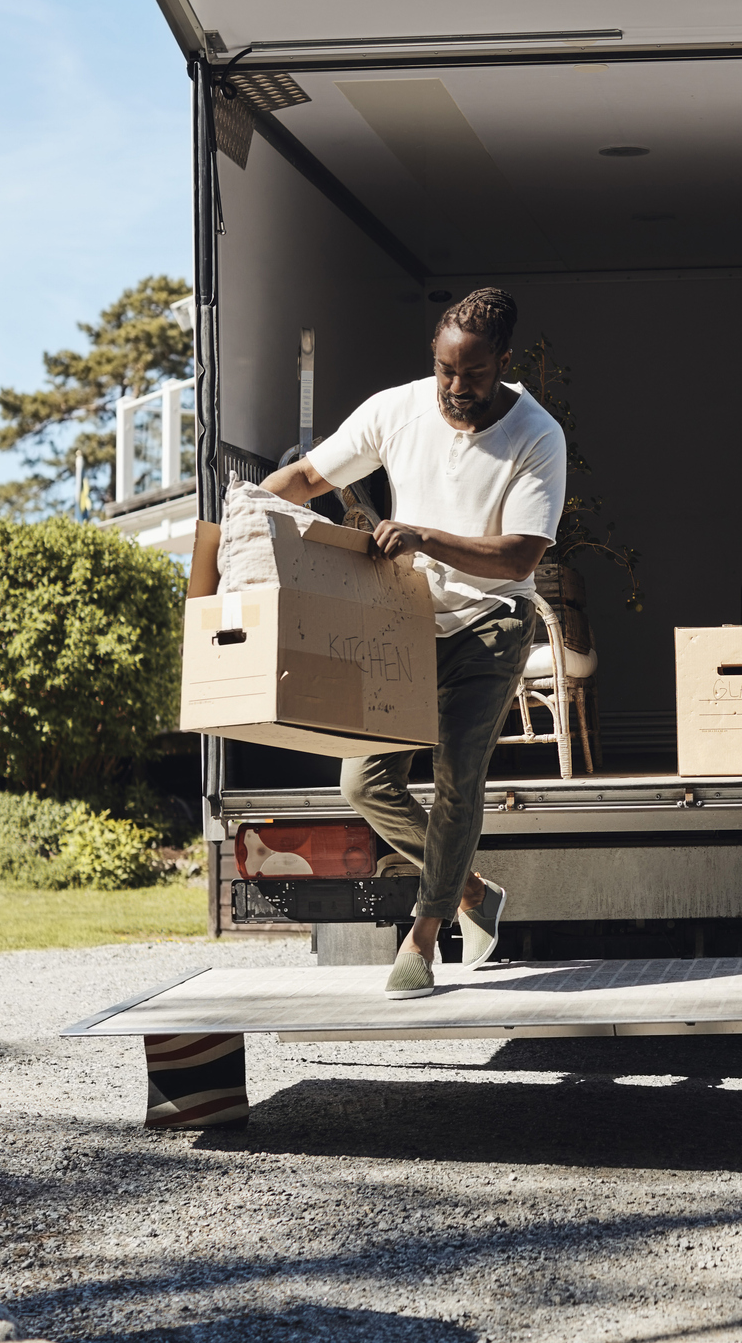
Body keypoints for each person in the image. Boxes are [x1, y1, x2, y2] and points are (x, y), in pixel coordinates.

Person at [261, 288, 566, 998]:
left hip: (491, 622)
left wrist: (423, 535)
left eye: (475, 374)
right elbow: (307, 478)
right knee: (362, 781)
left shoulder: (535, 434)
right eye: (444, 371)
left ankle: (423, 941)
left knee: (460, 782)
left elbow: (518, 558)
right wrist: (244, 521)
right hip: (406, 617)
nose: (457, 388)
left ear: (505, 364)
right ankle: (470, 892)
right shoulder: (394, 409)